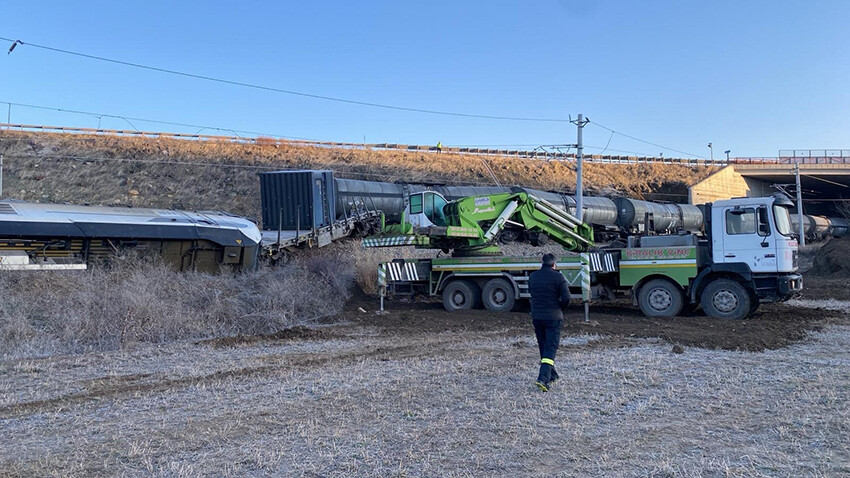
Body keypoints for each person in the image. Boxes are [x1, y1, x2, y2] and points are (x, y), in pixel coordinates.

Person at [528, 253, 571, 392]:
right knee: (551, 348)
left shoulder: (533, 277)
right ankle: (543, 379)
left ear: (542, 263)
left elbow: (532, 294)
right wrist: (560, 308)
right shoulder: (558, 277)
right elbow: (566, 298)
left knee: (543, 345)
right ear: (554, 265)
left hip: (537, 317)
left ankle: (552, 374)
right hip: (553, 317)